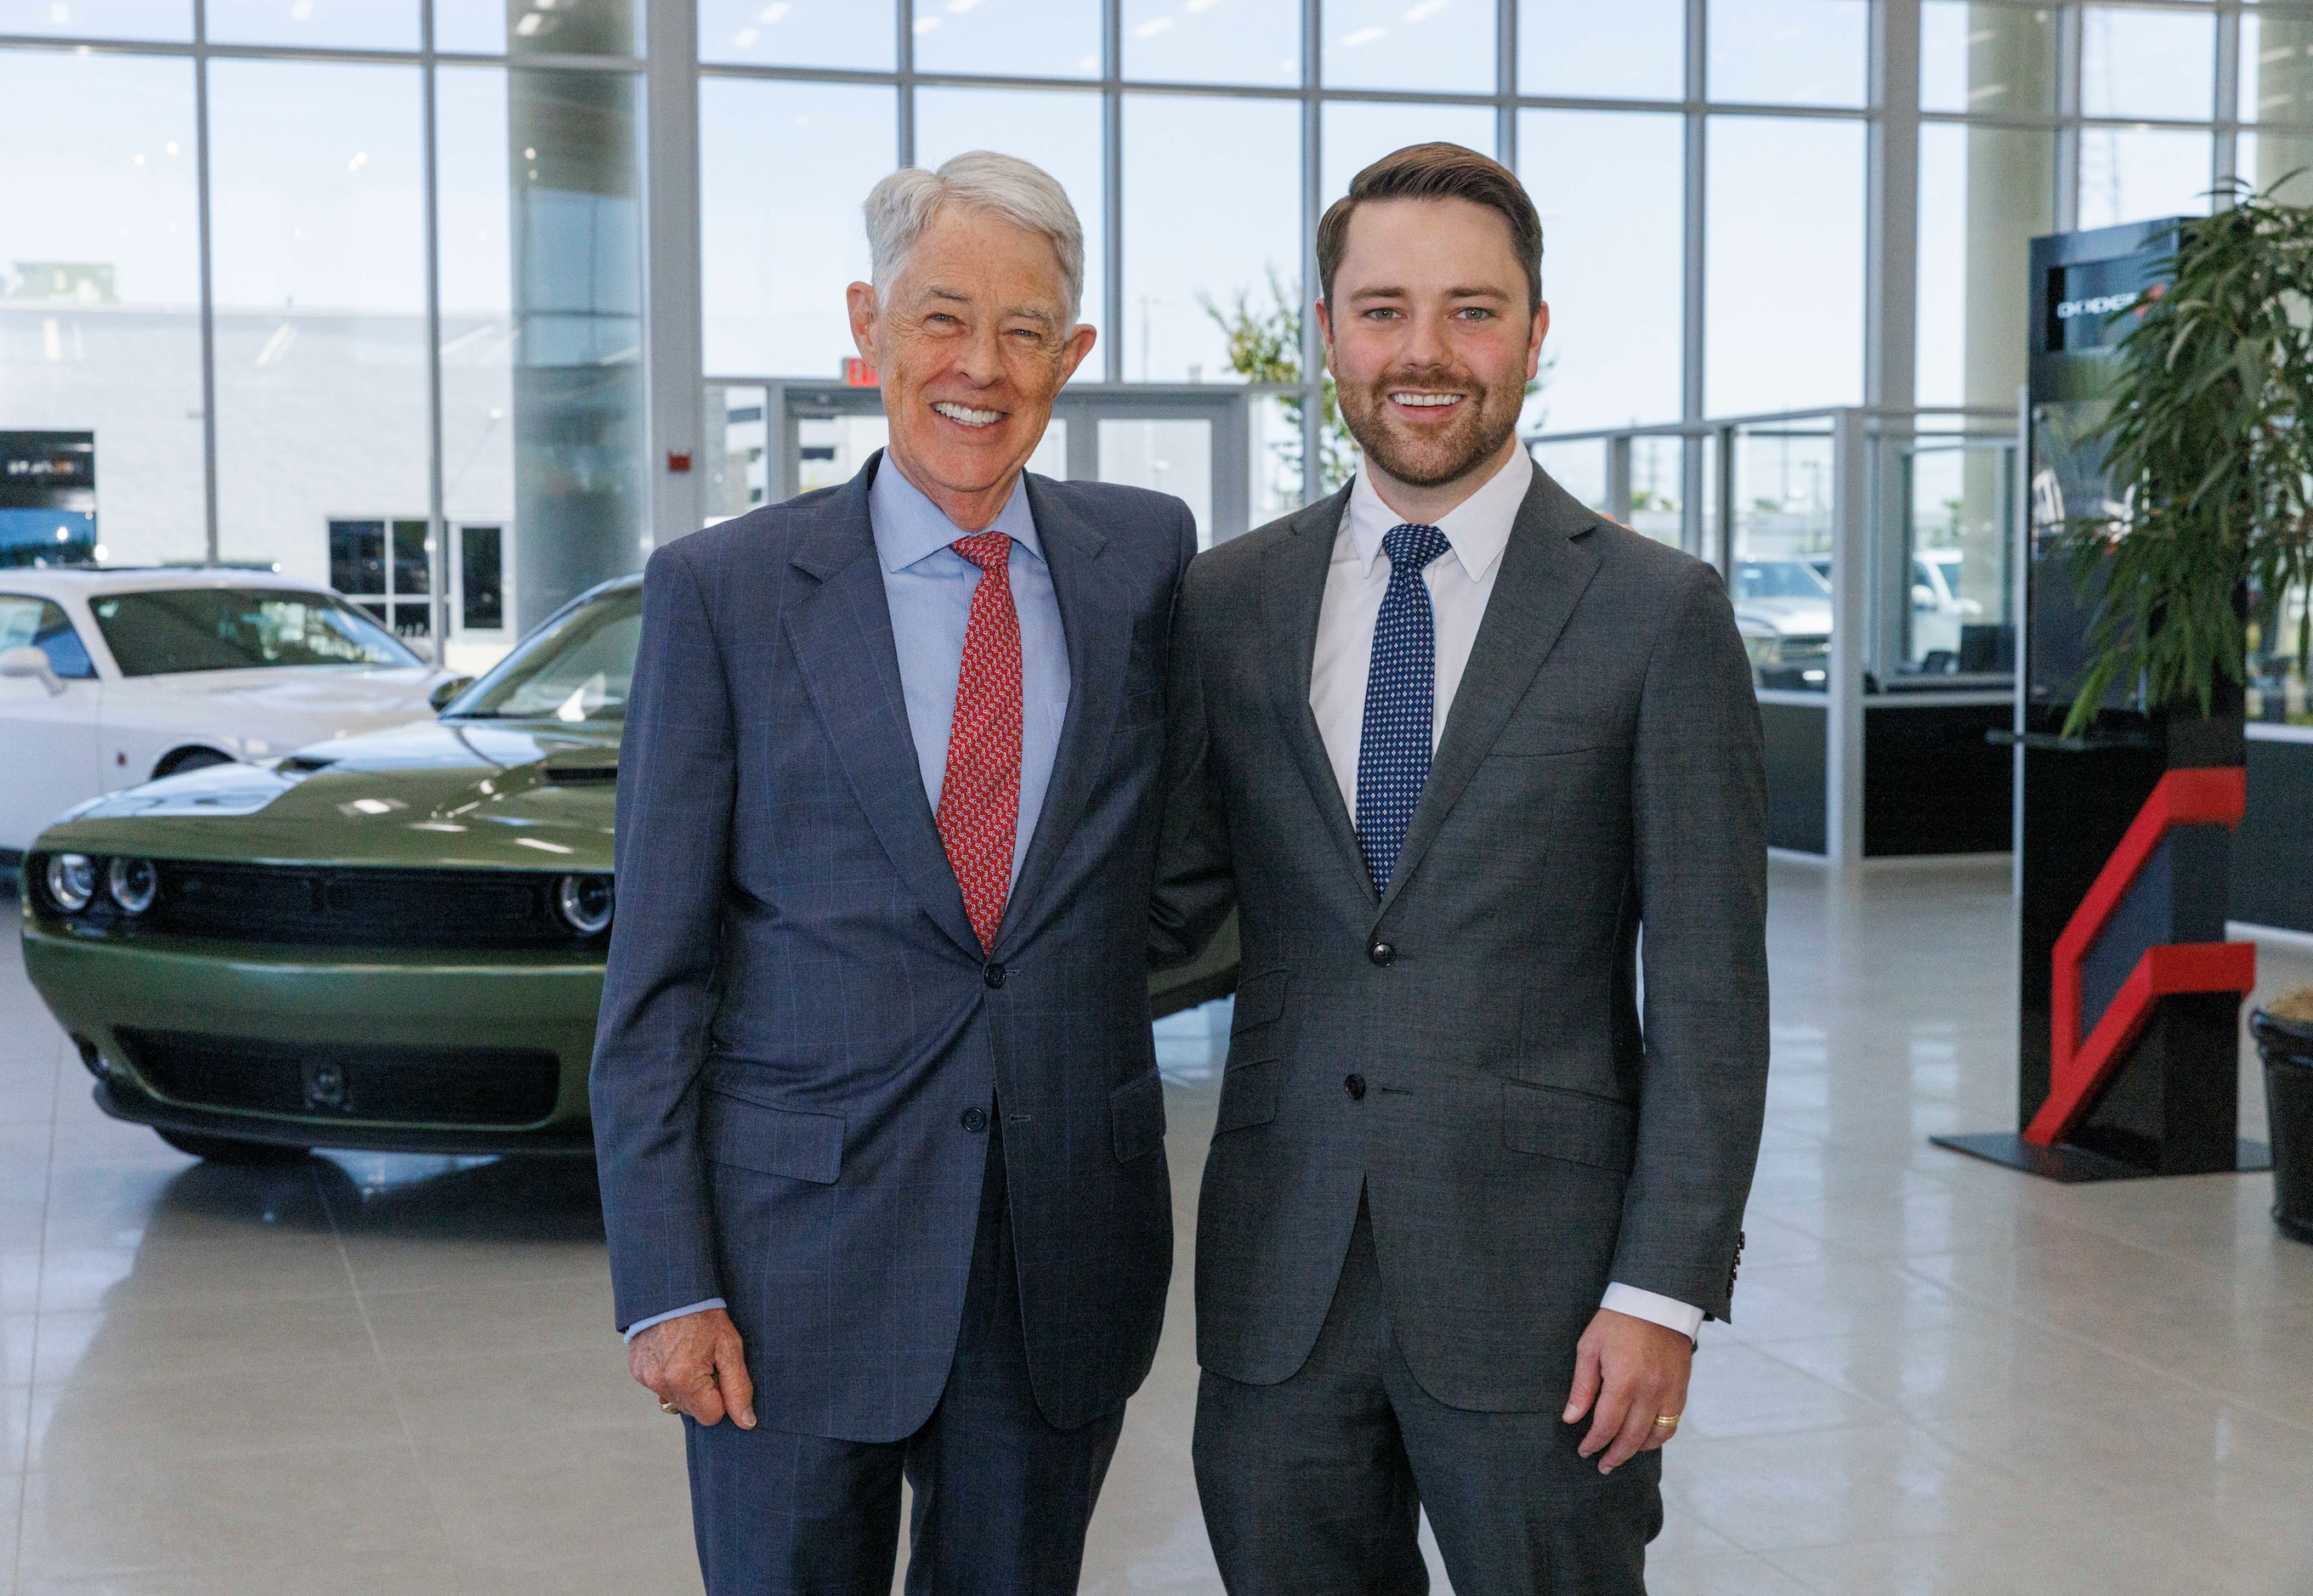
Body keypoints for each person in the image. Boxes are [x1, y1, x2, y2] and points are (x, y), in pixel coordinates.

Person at [1153, 142, 1770, 1595]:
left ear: (1536, 333)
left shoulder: (1655, 613)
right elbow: (1169, 911)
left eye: (1471, 309)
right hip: (1279, 1292)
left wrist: (1660, 1292)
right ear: (1328, 334)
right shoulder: (1228, 602)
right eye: (1382, 309)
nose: (1424, 352)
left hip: (1549, 1306)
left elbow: (1709, 997)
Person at [592, 150, 1196, 1596]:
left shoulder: (1147, 562)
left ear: (1077, 355)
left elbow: (1179, 869)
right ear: (865, 327)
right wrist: (668, 1284)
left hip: (1056, 1256)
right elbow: (657, 977)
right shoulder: (723, 592)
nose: (980, 367)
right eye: (941, 317)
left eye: (1025, 329)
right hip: (790, 1264)